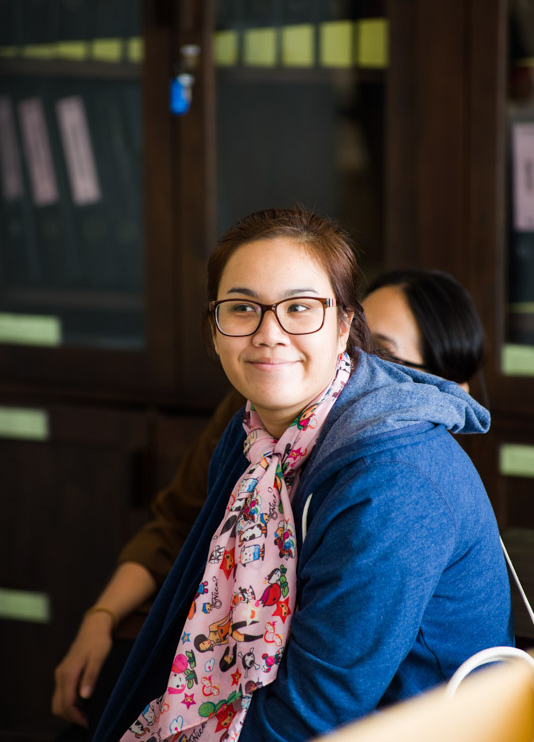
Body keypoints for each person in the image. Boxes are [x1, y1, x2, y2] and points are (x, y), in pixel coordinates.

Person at [88, 205, 511, 742]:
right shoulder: (254, 433)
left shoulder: (394, 477)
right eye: (243, 308)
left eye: (300, 308)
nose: (269, 333)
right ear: (213, 329)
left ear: (344, 326)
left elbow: (315, 713)